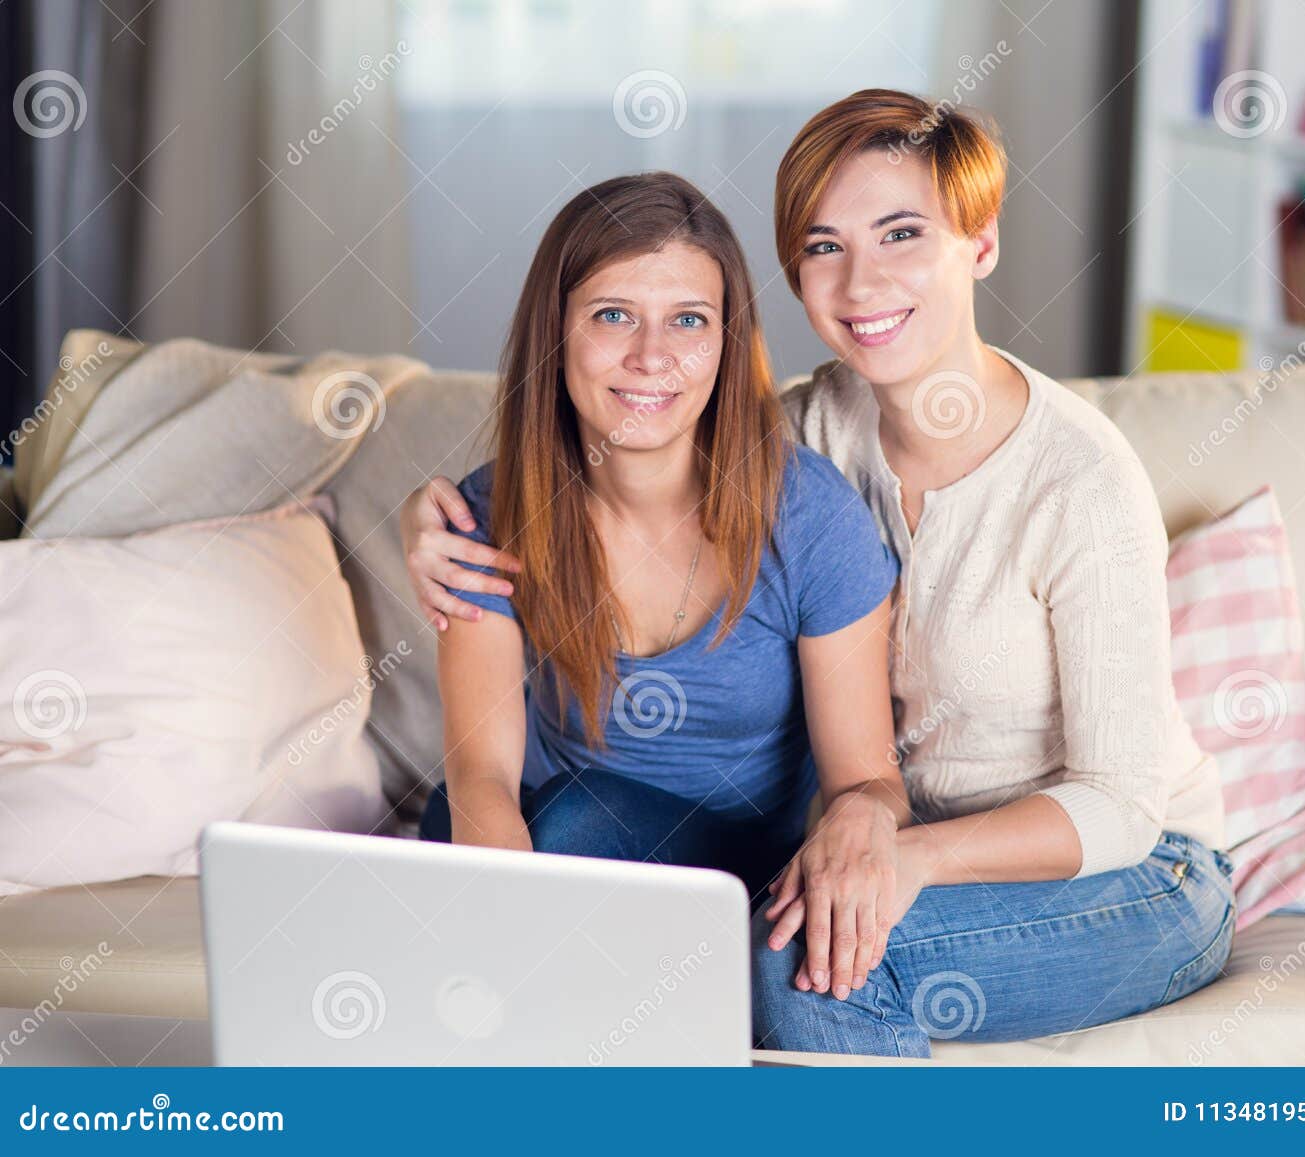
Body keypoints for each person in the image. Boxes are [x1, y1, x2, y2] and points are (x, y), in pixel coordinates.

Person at [403, 93, 1235, 1058]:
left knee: (810, 954)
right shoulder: (806, 431)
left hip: (1132, 875)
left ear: (981, 243)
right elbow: (651, 433)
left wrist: (897, 846)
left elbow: (1125, 806)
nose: (862, 279)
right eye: (825, 246)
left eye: (901, 233)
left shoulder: (1080, 481)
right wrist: (440, 528)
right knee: (599, 855)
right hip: (872, 846)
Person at [418, 171, 912, 992]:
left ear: (726, 343)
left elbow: (869, 782)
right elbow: (482, 776)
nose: (652, 356)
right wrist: (505, 915)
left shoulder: (808, 515)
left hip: (741, 870)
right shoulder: (492, 514)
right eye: (614, 315)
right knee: (460, 823)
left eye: (689, 320)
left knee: (580, 819)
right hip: (560, 842)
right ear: (558, 331)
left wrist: (863, 820)